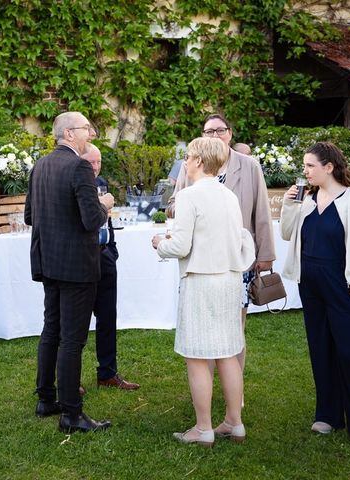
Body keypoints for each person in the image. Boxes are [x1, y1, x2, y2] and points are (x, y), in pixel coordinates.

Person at [281, 141, 350, 450]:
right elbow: (287, 234)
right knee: (321, 349)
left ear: (329, 168)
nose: (305, 171)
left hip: (344, 285)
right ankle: (328, 415)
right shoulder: (306, 200)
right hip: (310, 285)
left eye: (310, 166)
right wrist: (290, 204)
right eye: (304, 166)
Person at [152, 137, 255, 447]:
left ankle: (203, 428)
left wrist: (160, 244)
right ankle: (234, 423)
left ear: (198, 161)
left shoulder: (188, 197)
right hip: (229, 280)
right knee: (227, 352)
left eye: (188, 156)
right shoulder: (229, 195)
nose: (185, 161)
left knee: (197, 355)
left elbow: (181, 245)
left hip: (202, 280)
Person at [25, 111, 115, 433]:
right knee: (72, 339)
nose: (91, 134)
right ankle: (71, 414)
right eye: (86, 129)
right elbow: (92, 219)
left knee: (52, 330)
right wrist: (104, 202)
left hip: (49, 262)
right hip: (76, 265)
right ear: (68, 134)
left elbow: (29, 216)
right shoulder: (78, 166)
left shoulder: (40, 165)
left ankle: (46, 398)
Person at [166, 113, 275, 376]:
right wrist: (183, 207)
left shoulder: (249, 166)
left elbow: (261, 212)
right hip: (201, 257)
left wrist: (266, 254)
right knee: (203, 329)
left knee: (234, 328)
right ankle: (211, 383)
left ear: (230, 133)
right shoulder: (189, 166)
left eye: (220, 130)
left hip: (237, 257)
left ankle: (234, 393)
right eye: (209, 131)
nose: (215, 135)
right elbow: (173, 203)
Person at [81, 143, 140, 391]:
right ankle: (69, 378)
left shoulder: (102, 181)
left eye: (99, 162)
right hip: (83, 258)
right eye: (91, 162)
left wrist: (112, 248)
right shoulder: (76, 182)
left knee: (108, 317)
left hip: (105, 254)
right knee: (78, 321)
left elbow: (106, 220)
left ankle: (108, 373)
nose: (95, 168)